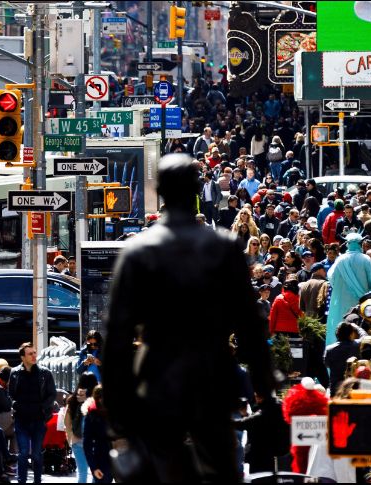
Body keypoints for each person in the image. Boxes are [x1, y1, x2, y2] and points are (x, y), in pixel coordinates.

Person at [102, 154, 274, 483]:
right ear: (197, 190)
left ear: (162, 191)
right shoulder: (223, 248)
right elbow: (251, 328)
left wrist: (118, 414)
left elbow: (117, 339)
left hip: (157, 377)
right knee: (221, 470)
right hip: (210, 375)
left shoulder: (139, 252)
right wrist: (265, 393)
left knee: (159, 467)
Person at [8, 342, 56, 484]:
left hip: (38, 420)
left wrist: (42, 408)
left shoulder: (45, 373)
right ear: (22, 357)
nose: (34, 356)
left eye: (35, 352)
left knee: (36, 454)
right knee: (23, 453)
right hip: (21, 420)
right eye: (30, 353)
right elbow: (10, 394)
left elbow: (51, 394)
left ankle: (37, 480)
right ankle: (21, 480)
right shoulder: (15, 372)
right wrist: (15, 405)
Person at [232, 392, 289, 474]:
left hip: (261, 455)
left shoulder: (265, 411)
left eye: (256, 395)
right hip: (278, 452)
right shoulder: (279, 405)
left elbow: (244, 423)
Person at [64, 373, 99, 484]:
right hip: (94, 442)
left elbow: (66, 421)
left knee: (82, 472)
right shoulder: (96, 401)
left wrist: (70, 437)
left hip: (77, 440)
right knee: (96, 473)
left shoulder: (73, 400)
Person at [82, 385, 112, 483]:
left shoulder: (116, 413)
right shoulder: (92, 415)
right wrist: (94, 467)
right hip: (102, 460)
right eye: (100, 398)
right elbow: (87, 444)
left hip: (121, 458)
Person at [324, 322, 360, 395]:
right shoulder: (357, 346)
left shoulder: (329, 349)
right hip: (354, 388)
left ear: (337, 334)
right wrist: (356, 327)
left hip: (335, 388)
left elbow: (326, 364)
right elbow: (365, 336)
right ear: (351, 333)